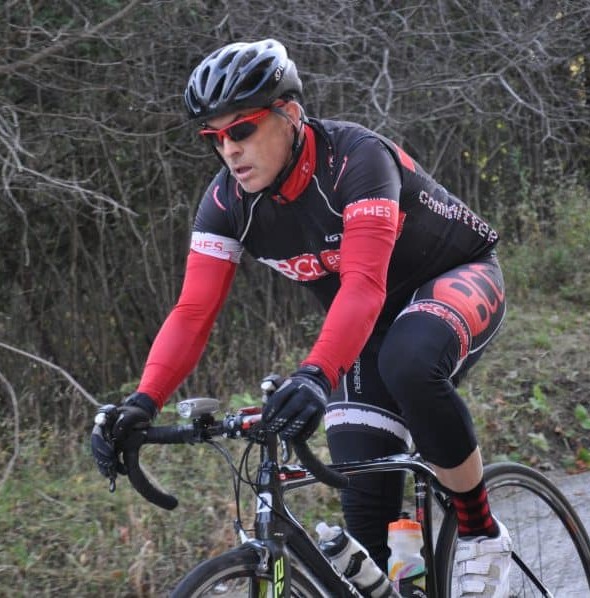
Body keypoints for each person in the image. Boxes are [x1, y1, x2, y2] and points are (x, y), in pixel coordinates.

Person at [92, 38, 511, 597]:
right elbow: (193, 312)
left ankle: (483, 535)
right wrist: (143, 402)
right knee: (368, 531)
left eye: (240, 130)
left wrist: (316, 374)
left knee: (409, 363)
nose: (229, 151)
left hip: (455, 277)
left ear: (288, 114)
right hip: (365, 325)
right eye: (214, 138)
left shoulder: (356, 160)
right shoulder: (227, 204)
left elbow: (363, 283)